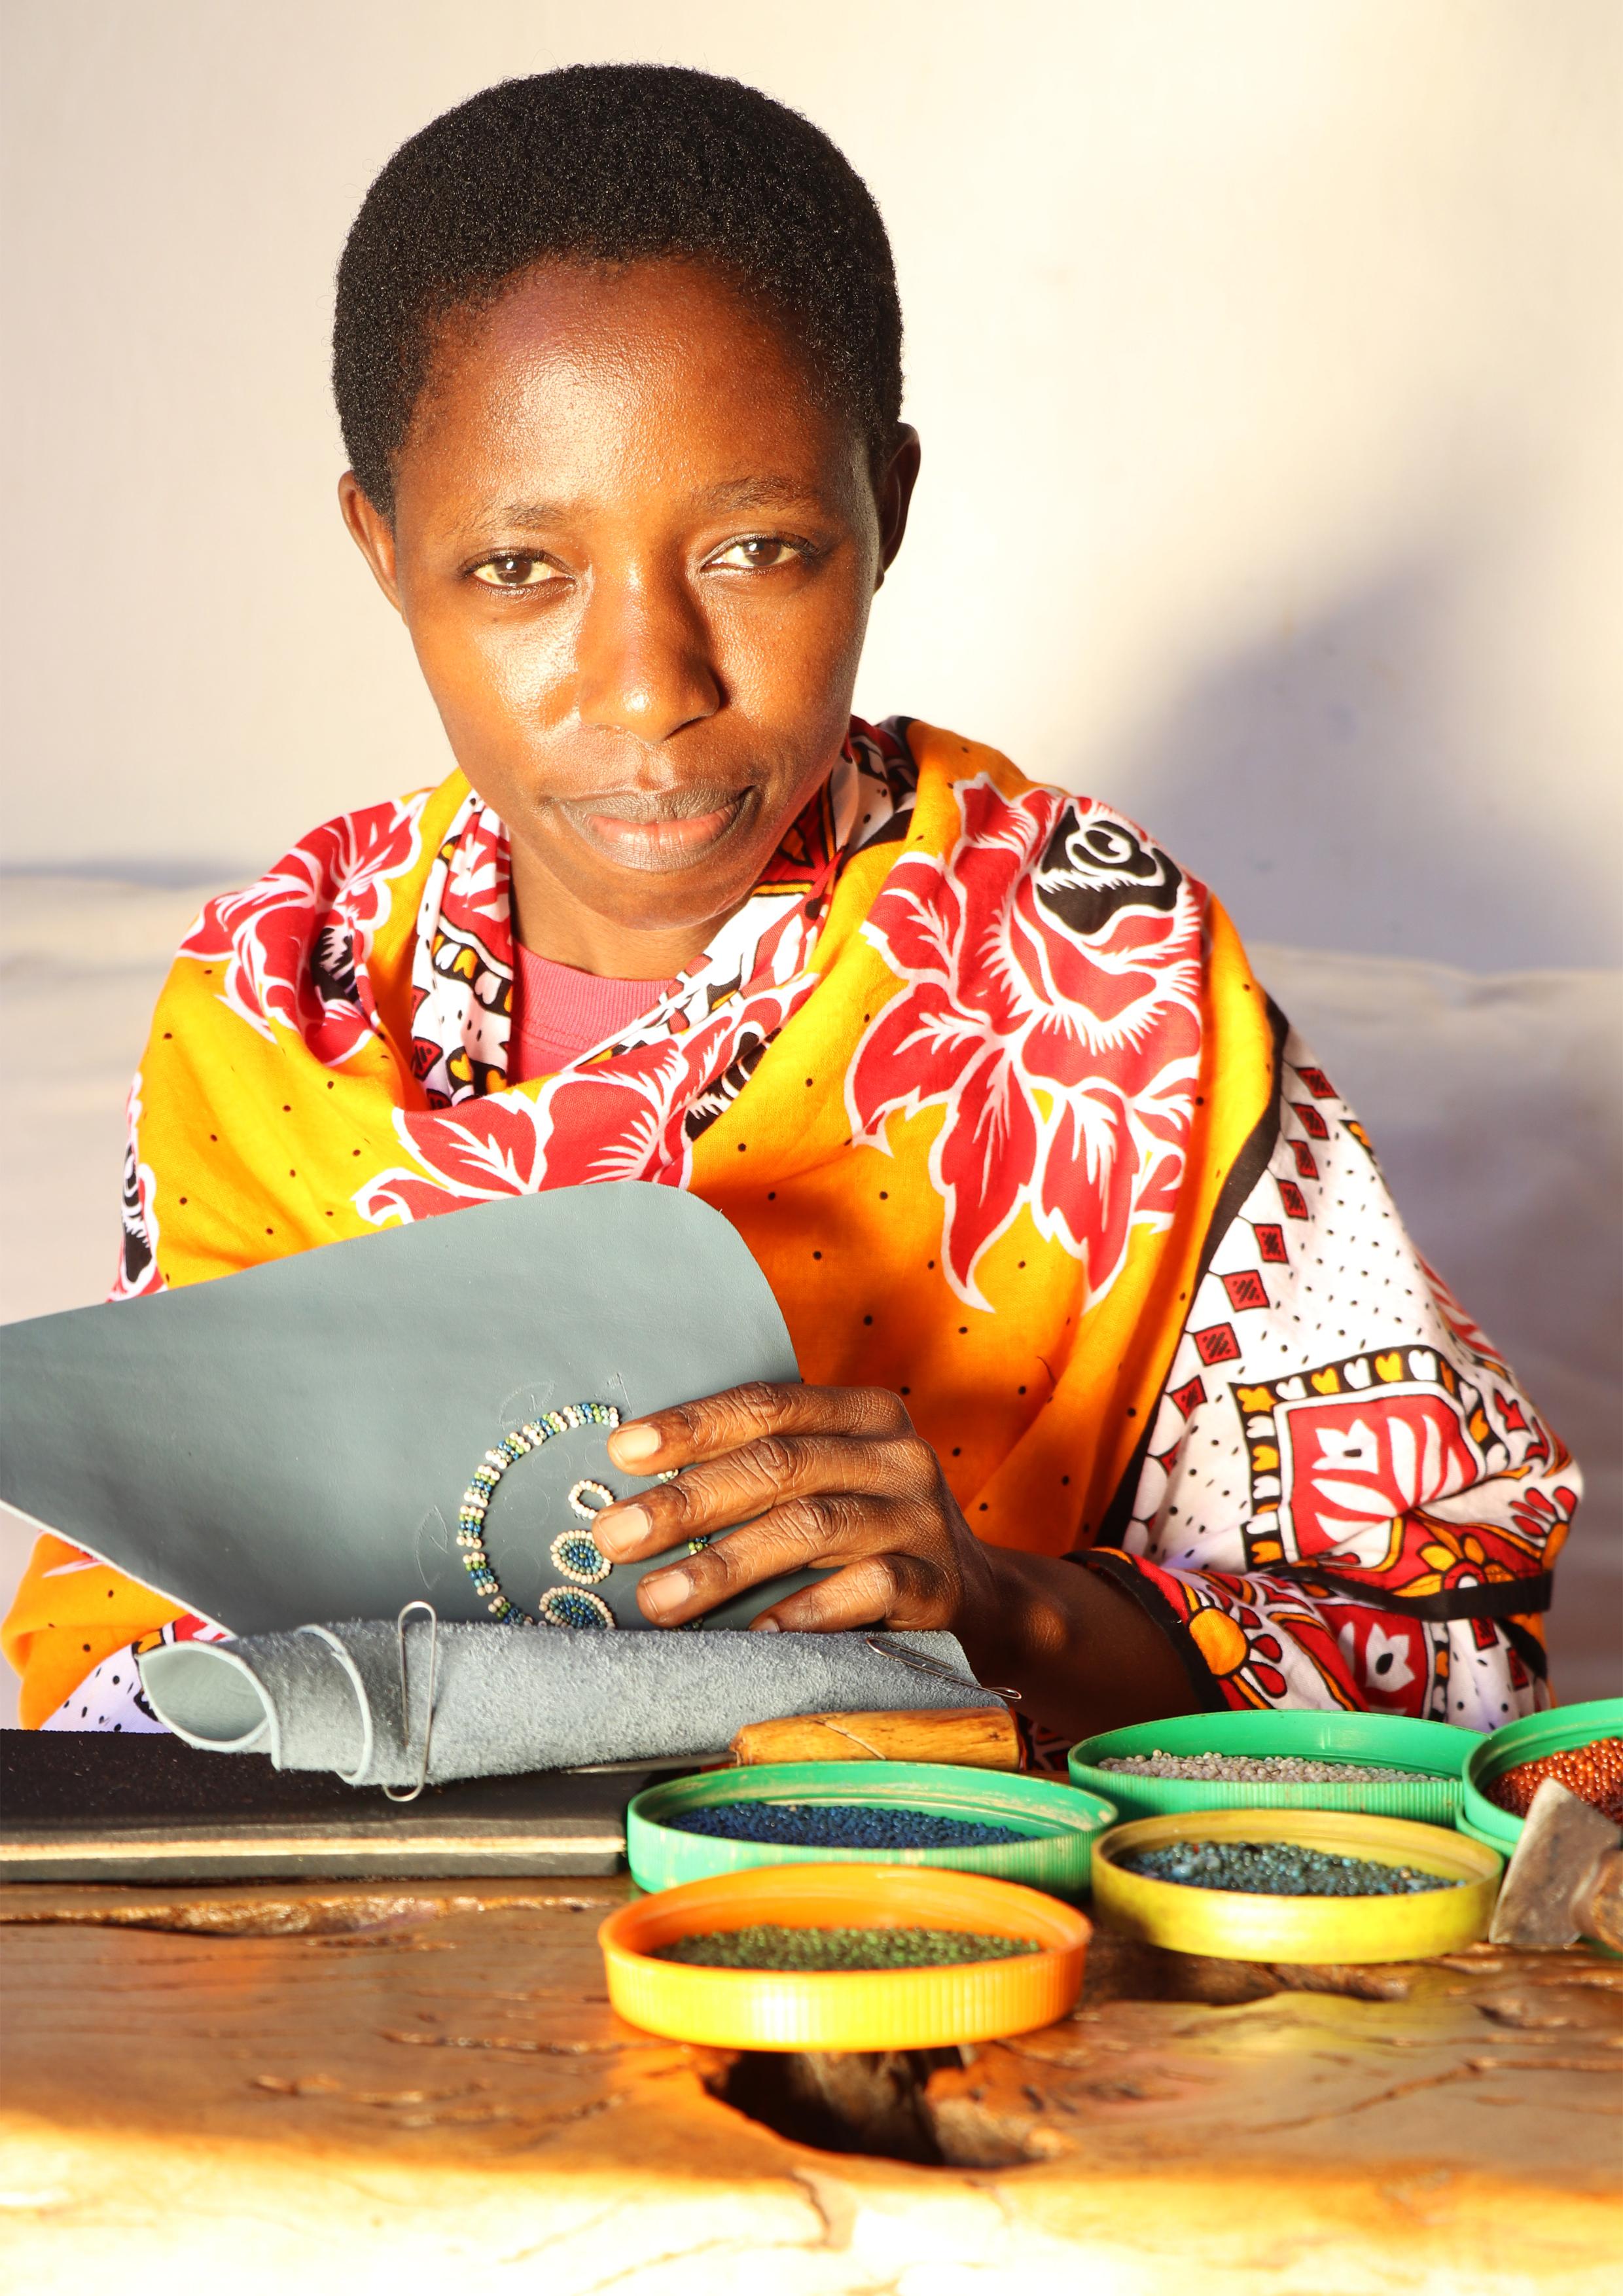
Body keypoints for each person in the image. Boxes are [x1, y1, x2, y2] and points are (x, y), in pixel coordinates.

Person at [2, 65, 1576, 1753]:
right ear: (383, 549)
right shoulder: (269, 1003)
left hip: (946, 1930)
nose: (647, 691)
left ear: (883, 509)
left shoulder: (1106, 980)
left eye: (756, 549)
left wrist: (994, 1600)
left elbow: (1450, 1657)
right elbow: (124, 1653)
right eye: (519, 571)